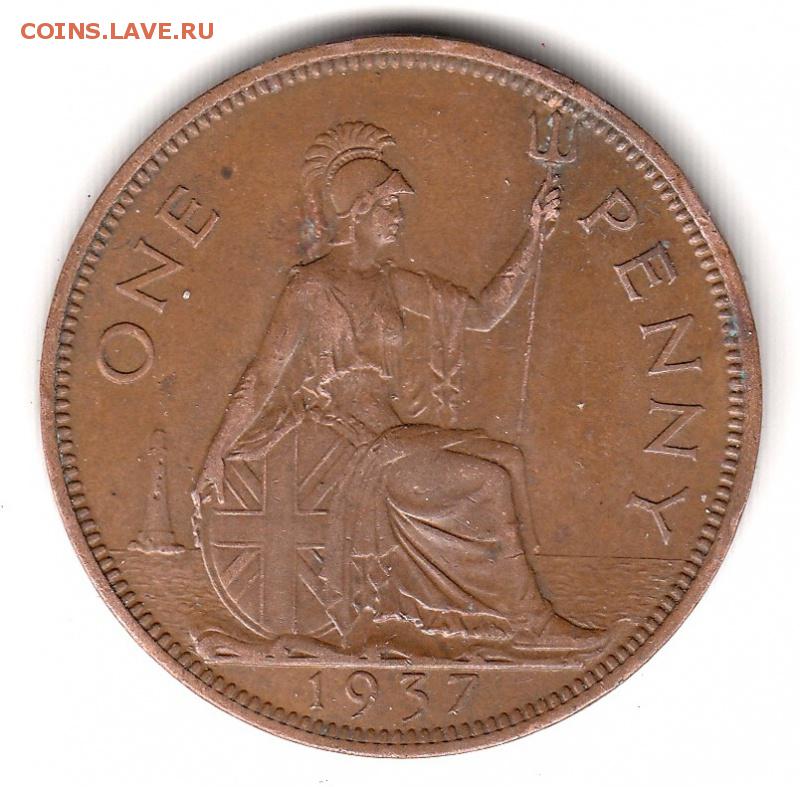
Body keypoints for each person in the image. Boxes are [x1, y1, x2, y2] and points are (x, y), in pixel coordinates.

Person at [195, 122, 600, 658]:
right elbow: (262, 377)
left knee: (506, 457)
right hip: (347, 446)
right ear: (358, 210)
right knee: (489, 480)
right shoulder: (311, 287)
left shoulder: (394, 283)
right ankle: (527, 624)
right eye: (388, 206)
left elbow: (483, 314)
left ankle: (490, 617)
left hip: (392, 435)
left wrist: (534, 236)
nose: (399, 218)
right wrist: (216, 454)